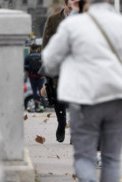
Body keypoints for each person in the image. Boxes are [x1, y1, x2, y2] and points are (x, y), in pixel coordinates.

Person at [42, 0, 122, 182]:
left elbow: (49, 60)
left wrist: (65, 73)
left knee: (83, 154)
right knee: (111, 158)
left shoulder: (72, 25)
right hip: (118, 99)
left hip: (83, 99)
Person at [42, 0, 74, 143]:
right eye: (71, 4)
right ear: (65, 5)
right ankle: (61, 124)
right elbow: (46, 42)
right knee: (59, 99)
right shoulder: (53, 20)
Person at [24, 44, 45, 113]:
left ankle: (36, 106)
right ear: (37, 49)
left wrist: (30, 68)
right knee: (41, 91)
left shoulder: (28, 56)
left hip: (32, 76)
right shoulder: (41, 55)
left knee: (34, 91)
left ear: (31, 48)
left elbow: (24, 65)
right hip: (40, 76)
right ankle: (42, 106)